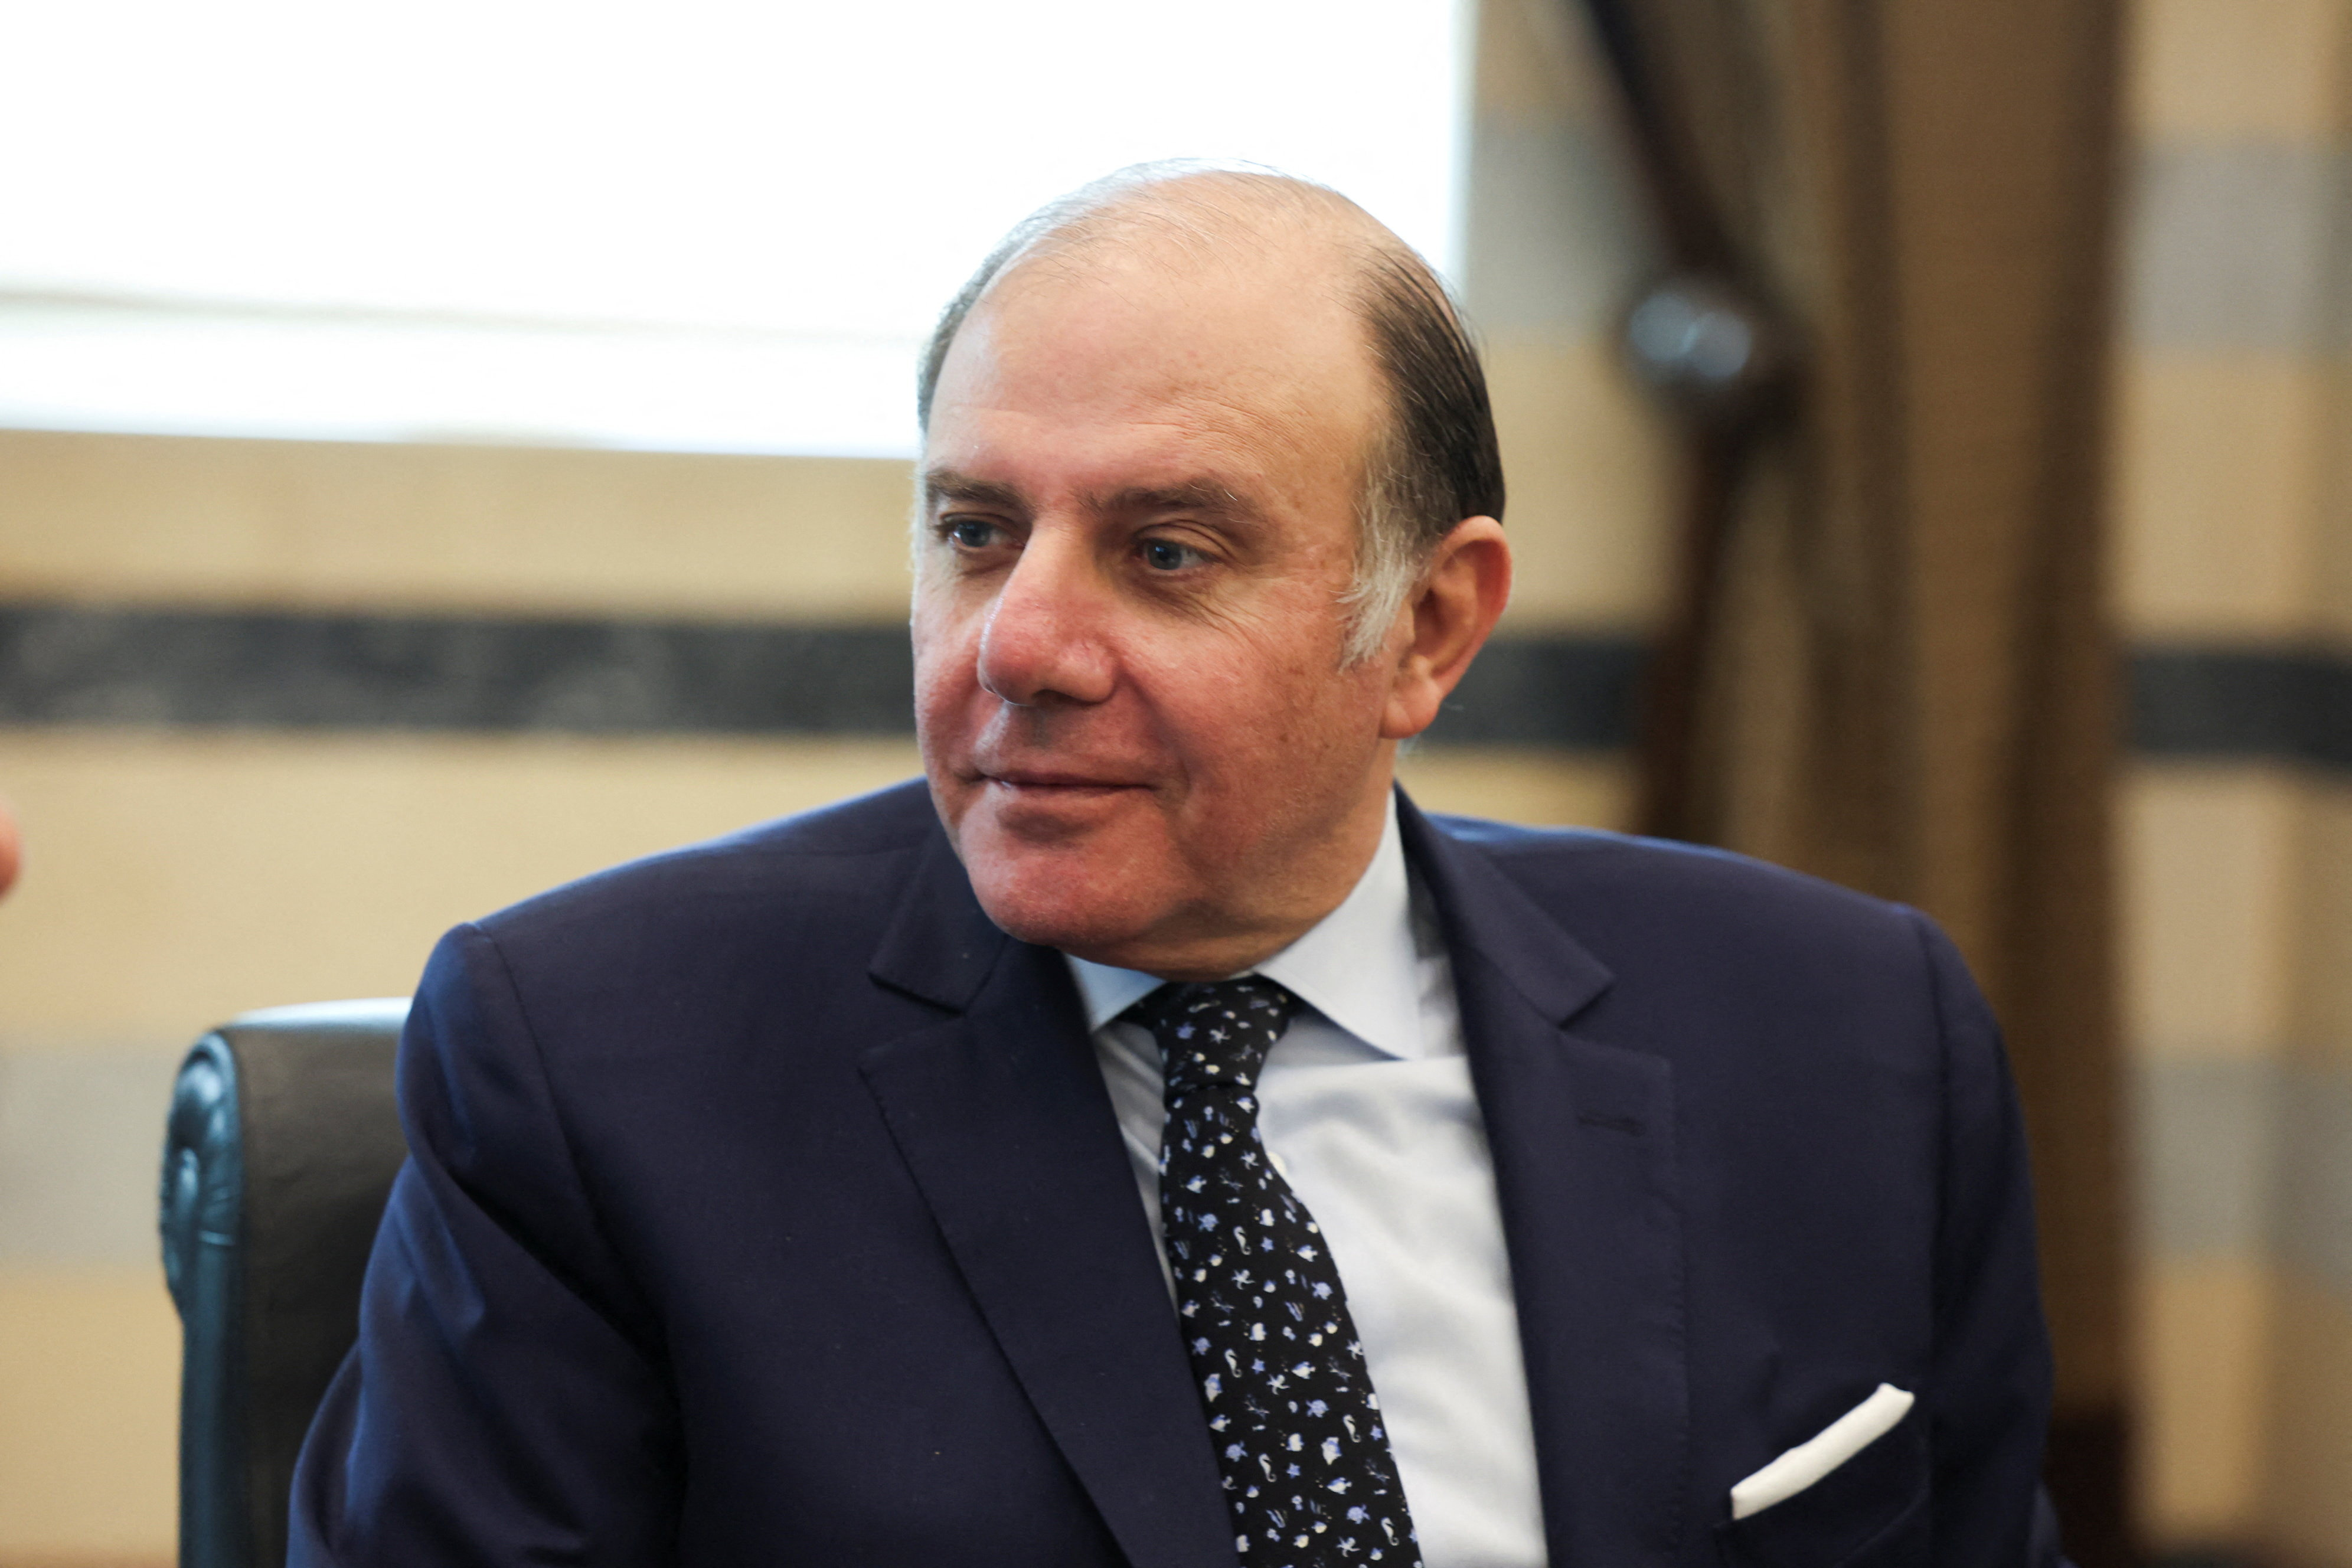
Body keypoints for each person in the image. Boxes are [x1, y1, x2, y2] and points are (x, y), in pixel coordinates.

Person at [291, 166, 2060, 1567]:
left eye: (1168, 552)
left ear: (1430, 627)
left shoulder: (1848, 1036)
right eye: (976, 531)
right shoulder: (596, 1061)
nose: (1020, 644)